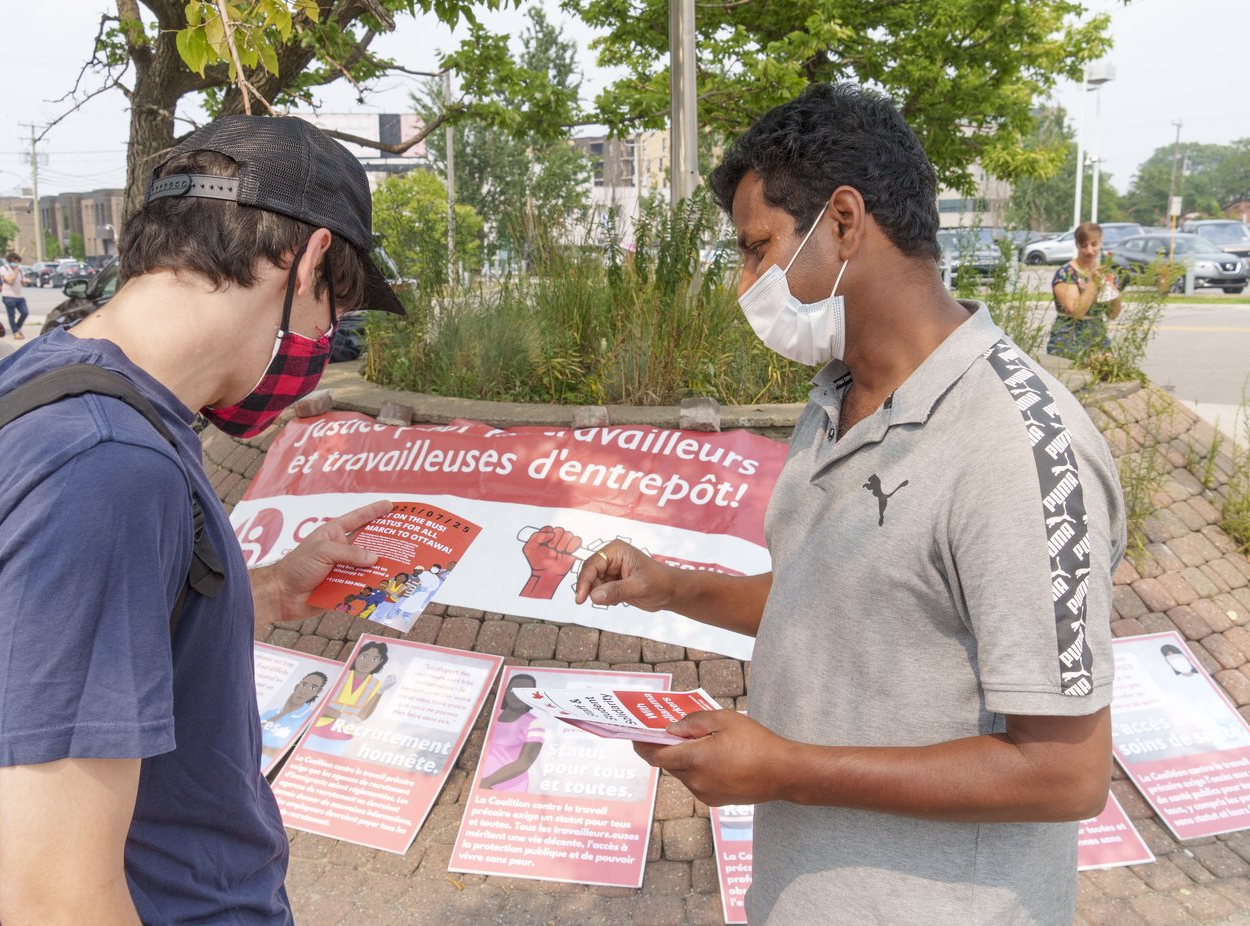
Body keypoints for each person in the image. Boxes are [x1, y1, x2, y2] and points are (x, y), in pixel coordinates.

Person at [575, 84, 1125, 926]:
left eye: (758, 250)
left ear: (842, 221)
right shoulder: (837, 398)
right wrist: (672, 586)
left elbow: (1065, 774)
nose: (743, 285)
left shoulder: (1013, 444)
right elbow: (838, 601)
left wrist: (786, 768)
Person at [0, 114, 408, 923]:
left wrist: (276, 589)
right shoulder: (104, 470)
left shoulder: (43, 383)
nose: (323, 341)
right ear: (310, 257)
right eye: (335, 312)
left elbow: (96, 628)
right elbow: (57, 895)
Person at [1046, 221, 1123, 361]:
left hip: (1097, 337)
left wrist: (1115, 294)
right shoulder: (1067, 274)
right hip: (1068, 338)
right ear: (1077, 245)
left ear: (1101, 242)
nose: (1089, 250)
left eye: (1094, 244)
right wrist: (1093, 283)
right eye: (1084, 245)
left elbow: (1112, 315)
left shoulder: (1106, 273)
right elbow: (1076, 312)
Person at [479, 673, 548, 792]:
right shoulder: (492, 715)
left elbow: (525, 761)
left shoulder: (534, 723)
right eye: (514, 690)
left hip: (509, 785)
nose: (517, 695)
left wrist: (487, 781)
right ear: (506, 691)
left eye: (525, 691)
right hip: (480, 780)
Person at [261, 670, 329, 767]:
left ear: (317, 692)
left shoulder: (311, 719)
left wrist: (260, 747)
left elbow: (302, 756)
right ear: (297, 686)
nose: (304, 690)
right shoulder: (270, 713)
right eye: (304, 684)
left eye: (312, 688)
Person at [0, 251, 29, 340]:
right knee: (11, 316)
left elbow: (22, 282)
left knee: (25, 312)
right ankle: (15, 332)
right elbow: (10, 281)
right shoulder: (4, 268)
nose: (15, 263)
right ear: (10, 260)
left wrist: (24, 282)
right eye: (14, 261)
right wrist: (16, 271)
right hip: (8, 296)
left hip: (19, 296)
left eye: (17, 261)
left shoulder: (19, 270)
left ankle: (17, 328)